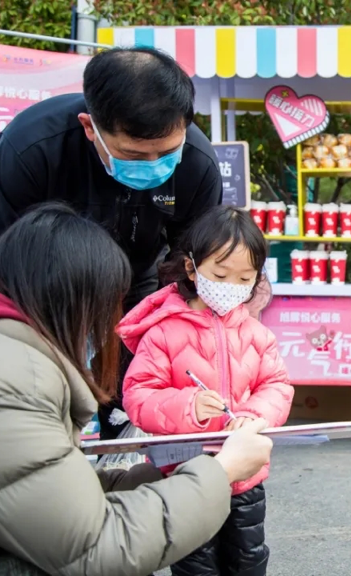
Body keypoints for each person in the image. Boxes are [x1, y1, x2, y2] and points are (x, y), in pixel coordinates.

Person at [0, 204, 274, 576]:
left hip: (225, 477)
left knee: (248, 558)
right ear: (67, 299)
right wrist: (216, 465)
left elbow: (36, 487)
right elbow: (96, 547)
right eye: (105, 306)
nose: (104, 325)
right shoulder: (7, 381)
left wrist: (251, 419)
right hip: (195, 466)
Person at [0, 46, 225, 440]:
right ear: (90, 127)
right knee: (39, 410)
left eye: (167, 153)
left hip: (139, 292)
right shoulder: (32, 148)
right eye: (134, 155)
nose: (154, 166)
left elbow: (194, 263)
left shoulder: (197, 164)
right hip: (40, 300)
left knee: (129, 405)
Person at [118, 206, 294, 576]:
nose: (231, 287)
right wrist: (188, 405)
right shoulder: (164, 332)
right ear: (191, 268)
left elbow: (276, 385)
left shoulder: (257, 334)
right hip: (185, 475)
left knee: (247, 559)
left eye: (244, 277)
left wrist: (255, 416)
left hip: (245, 477)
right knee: (196, 565)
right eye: (220, 274)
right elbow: (138, 395)